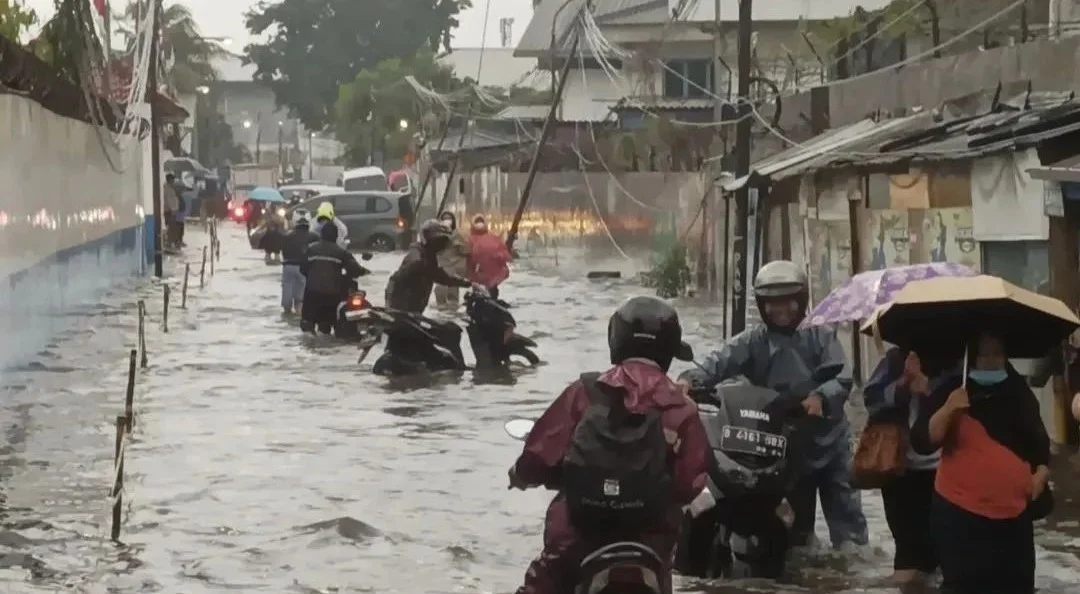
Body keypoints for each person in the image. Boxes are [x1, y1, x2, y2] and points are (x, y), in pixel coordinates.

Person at [508, 296, 709, 594]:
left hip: (575, 539)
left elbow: (540, 456)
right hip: (651, 542)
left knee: (541, 583)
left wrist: (520, 476)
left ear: (616, 337)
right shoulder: (682, 407)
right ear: (670, 347)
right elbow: (691, 482)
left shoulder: (586, 391)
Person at [677, 260, 867, 550]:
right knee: (795, 533)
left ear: (801, 300)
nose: (781, 310)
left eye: (788, 301)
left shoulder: (821, 335)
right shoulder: (754, 340)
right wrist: (689, 380)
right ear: (762, 304)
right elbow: (719, 361)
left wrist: (820, 397)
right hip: (786, 446)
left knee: (848, 528)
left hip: (830, 444)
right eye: (772, 303)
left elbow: (841, 376)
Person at [910, 331, 1051, 594]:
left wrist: (1039, 479)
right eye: (984, 354)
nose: (991, 361)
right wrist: (949, 409)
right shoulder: (953, 389)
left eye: (997, 353)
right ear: (972, 357)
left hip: (1012, 521)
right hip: (960, 518)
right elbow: (922, 440)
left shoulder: (1018, 393)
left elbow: (1041, 451)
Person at [863, 347, 958, 586]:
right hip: (899, 467)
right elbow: (871, 400)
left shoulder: (960, 362)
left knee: (944, 551)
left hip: (947, 470)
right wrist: (903, 384)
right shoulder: (896, 358)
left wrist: (928, 391)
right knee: (907, 552)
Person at [384, 219, 473, 314]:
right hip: (403, 308)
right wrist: (395, 308)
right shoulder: (418, 257)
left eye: (443, 241)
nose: (441, 245)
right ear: (429, 239)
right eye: (438, 241)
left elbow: (439, 275)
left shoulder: (429, 255)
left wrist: (463, 282)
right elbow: (396, 280)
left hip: (414, 307)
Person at [299, 222, 367, 334]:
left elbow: (303, 268)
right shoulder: (341, 253)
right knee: (326, 328)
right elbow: (354, 270)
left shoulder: (311, 250)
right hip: (332, 295)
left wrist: (312, 277)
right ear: (336, 236)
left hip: (311, 294)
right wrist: (362, 271)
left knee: (307, 325)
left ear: (322, 235)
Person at [280, 213, 318, 315]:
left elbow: (283, 251)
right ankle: (298, 311)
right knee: (301, 291)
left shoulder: (287, 235)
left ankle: (287, 310)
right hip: (303, 267)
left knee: (287, 287)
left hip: (288, 266)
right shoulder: (314, 236)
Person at [468, 215, 511, 300]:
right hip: (477, 272)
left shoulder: (493, 238)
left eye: (481, 222)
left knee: (491, 290)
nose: (479, 224)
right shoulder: (468, 238)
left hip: (491, 271)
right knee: (478, 291)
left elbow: (502, 251)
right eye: (477, 222)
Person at [433, 212, 470, 309]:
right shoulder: (436, 234)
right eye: (445, 218)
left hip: (455, 268)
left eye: (449, 218)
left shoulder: (457, 234)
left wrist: (459, 245)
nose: (447, 220)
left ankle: (452, 312)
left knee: (453, 294)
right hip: (442, 267)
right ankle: (441, 310)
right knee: (440, 290)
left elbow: (466, 251)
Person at [162, 174, 180, 250]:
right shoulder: (167, 189)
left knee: (172, 227)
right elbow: (169, 201)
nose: (173, 182)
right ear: (169, 180)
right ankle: (169, 243)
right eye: (173, 180)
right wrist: (173, 210)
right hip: (169, 211)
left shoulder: (170, 188)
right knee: (171, 227)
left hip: (172, 210)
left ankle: (171, 242)